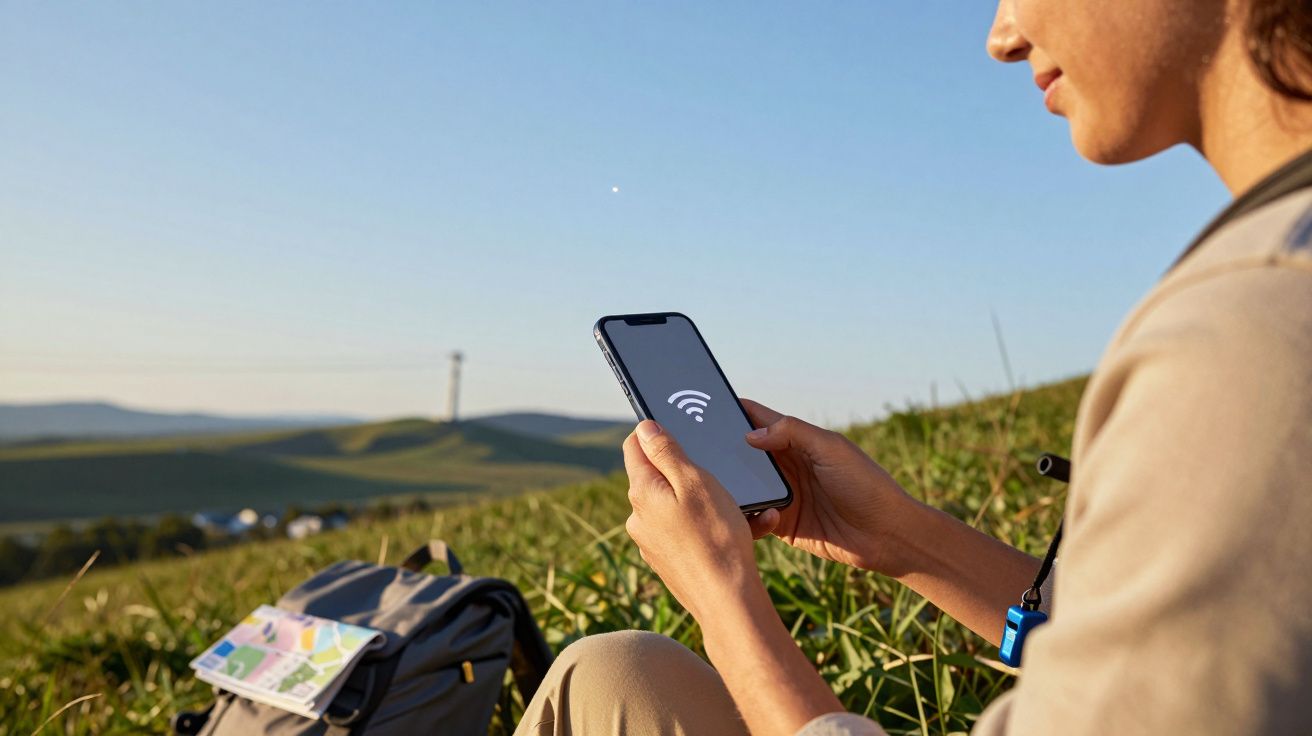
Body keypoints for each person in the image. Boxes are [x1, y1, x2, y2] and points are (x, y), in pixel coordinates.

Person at [515, 0, 1312, 733]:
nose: (1004, 37)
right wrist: (905, 539)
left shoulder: (1251, 340)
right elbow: (1154, 660)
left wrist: (725, 602)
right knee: (619, 672)